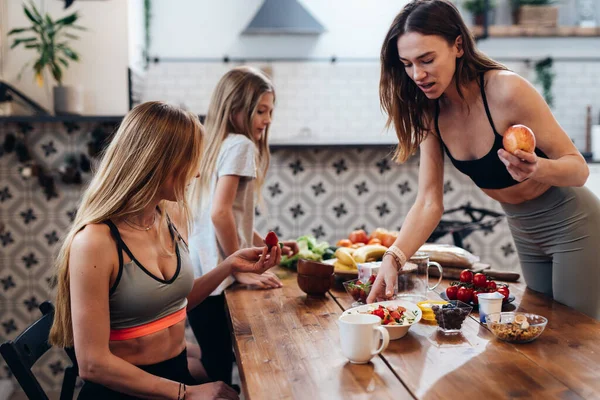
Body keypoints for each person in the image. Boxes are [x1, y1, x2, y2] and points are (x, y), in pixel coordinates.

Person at [368, 0, 600, 320]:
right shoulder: (430, 112)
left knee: (573, 335)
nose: (417, 74)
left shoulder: (507, 90)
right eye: (407, 64)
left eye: (427, 59)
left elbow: (578, 170)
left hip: (574, 224)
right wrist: (392, 258)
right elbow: (428, 203)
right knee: (543, 337)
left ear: (458, 45)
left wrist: (539, 168)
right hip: (523, 229)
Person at [49, 101, 282, 400]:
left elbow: (174, 303)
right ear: (160, 162)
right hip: (127, 392)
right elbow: (93, 365)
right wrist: (187, 393)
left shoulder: (165, 218)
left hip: (174, 376)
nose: (197, 175)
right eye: (192, 160)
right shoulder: (95, 242)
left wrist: (229, 265)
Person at [186, 66, 298, 386]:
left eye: (271, 110)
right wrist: (239, 268)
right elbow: (220, 214)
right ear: (236, 110)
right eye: (261, 111)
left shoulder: (215, 143)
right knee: (217, 371)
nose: (268, 119)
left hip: (201, 271)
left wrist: (263, 245)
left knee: (216, 358)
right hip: (215, 278)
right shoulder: (241, 146)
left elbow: (232, 215)